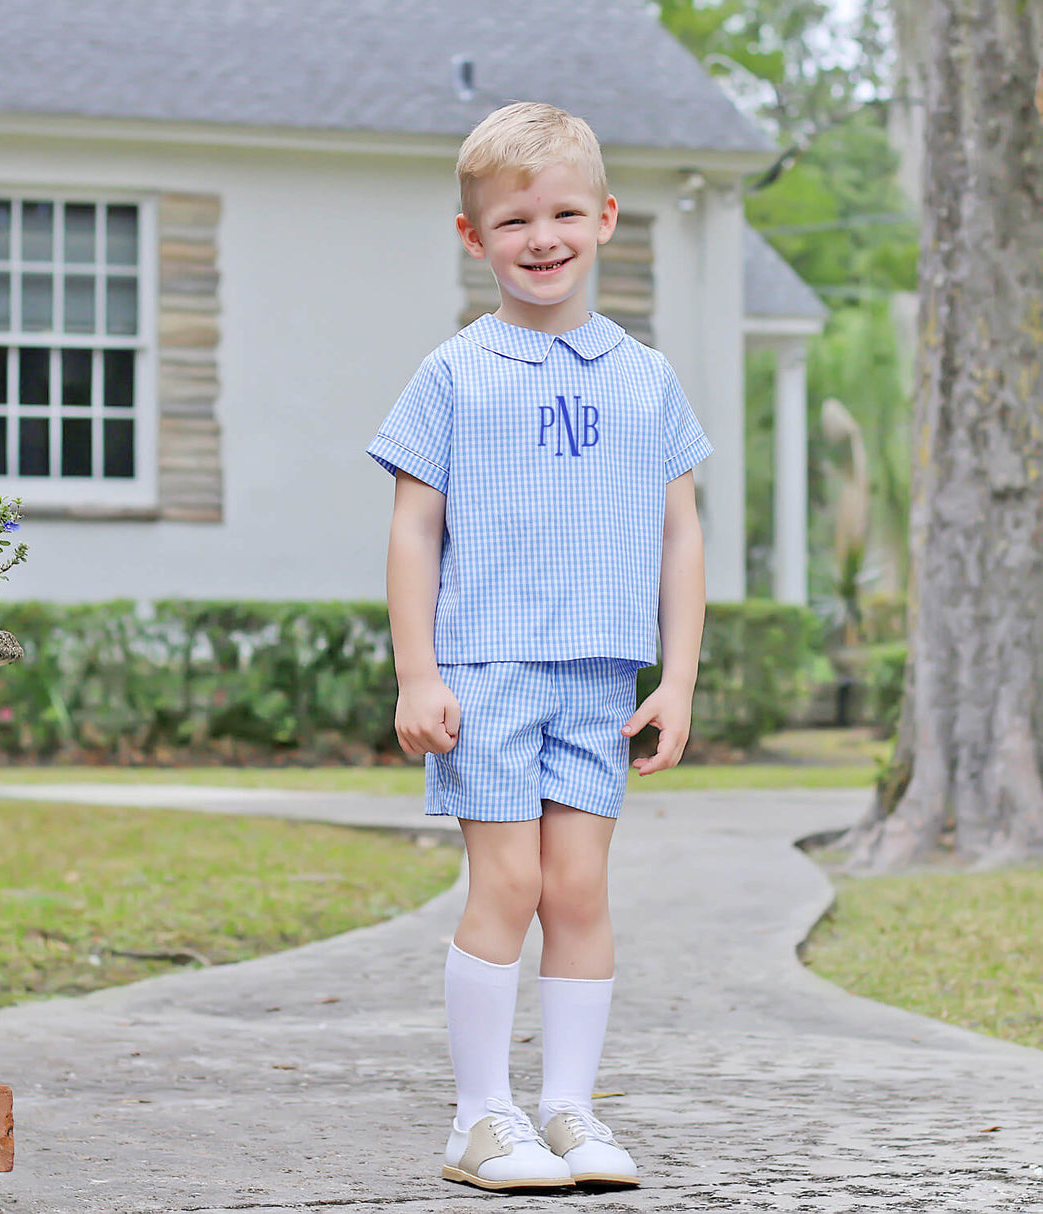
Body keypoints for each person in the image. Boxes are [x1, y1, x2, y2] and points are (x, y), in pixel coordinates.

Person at [366, 101, 712, 1192]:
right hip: (485, 670)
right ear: (474, 238)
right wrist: (416, 670)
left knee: (577, 890)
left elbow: (680, 531)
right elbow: (414, 527)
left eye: (565, 211)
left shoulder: (646, 377)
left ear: (605, 218)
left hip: (599, 674)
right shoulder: (452, 374)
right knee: (505, 882)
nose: (542, 236)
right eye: (513, 219)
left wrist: (677, 678)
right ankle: (480, 1117)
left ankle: (566, 1109)